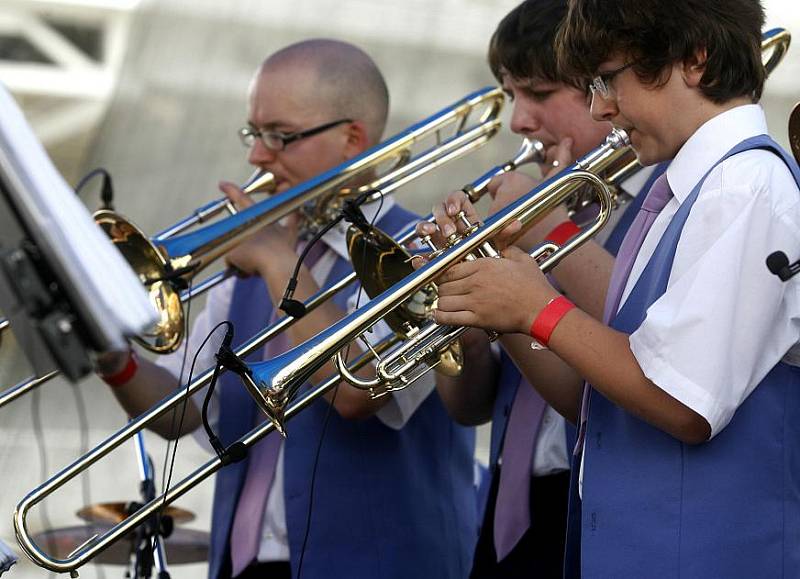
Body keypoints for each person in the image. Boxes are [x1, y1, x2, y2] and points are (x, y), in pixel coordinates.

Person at [429, 0, 800, 576]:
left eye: (608, 79)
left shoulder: (743, 184)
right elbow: (598, 396)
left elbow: (681, 402)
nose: (601, 107)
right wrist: (496, 300)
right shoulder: (694, 187)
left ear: (695, 61)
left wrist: (536, 307)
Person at [96, 39, 477, 579]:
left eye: (280, 136)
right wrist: (112, 356)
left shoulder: (419, 252)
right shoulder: (251, 264)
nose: (256, 156)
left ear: (352, 139)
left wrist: (279, 263)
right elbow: (181, 410)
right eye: (254, 134)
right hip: (245, 563)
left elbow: (356, 390)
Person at [425, 1, 664, 577]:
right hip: (509, 505)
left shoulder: (662, 204)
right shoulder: (547, 200)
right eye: (511, 95)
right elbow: (471, 407)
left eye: (538, 92)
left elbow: (632, 369)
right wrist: (468, 316)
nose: (518, 122)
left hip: (602, 508)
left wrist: (539, 232)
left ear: (605, 87)